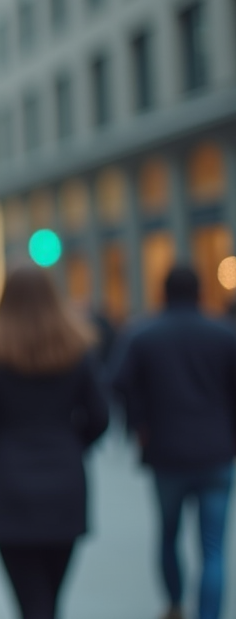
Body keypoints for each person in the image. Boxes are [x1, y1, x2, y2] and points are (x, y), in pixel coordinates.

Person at [0, 267, 109, 619]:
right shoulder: (77, 348)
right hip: (65, 479)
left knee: (29, 600)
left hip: (7, 481)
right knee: (52, 597)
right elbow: (100, 416)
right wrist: (72, 445)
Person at [112, 265, 236, 619]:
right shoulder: (224, 335)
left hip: (166, 452)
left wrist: (140, 422)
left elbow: (118, 384)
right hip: (217, 452)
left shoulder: (143, 335)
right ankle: (208, 614)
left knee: (169, 534)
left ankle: (175, 603)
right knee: (213, 547)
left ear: (162, 293)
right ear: (200, 292)